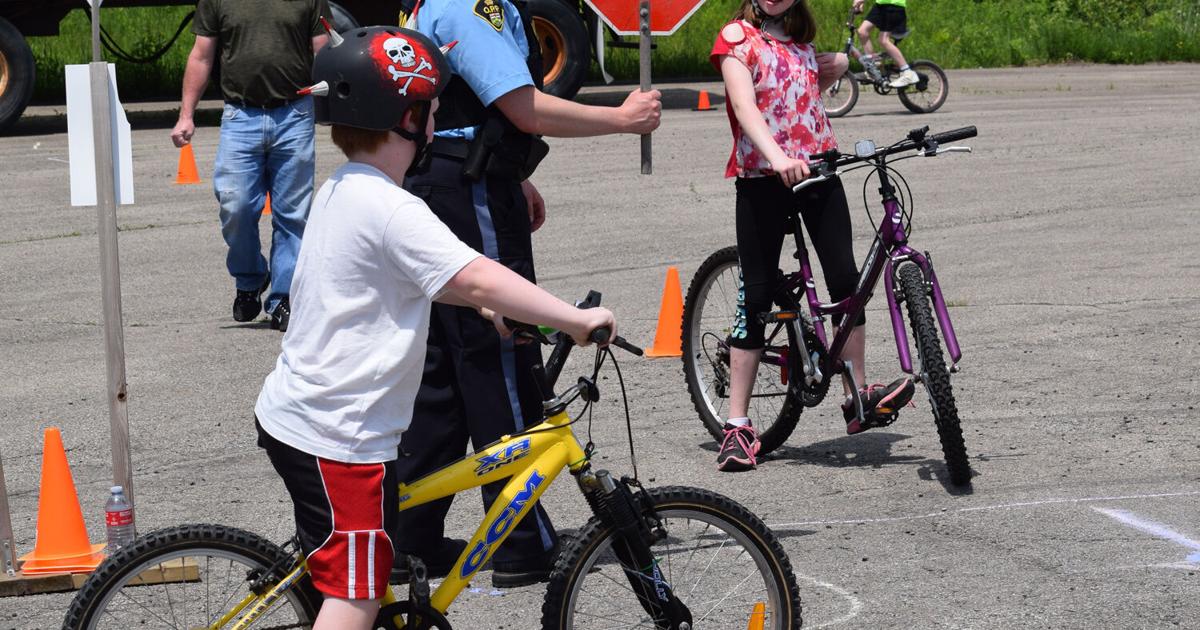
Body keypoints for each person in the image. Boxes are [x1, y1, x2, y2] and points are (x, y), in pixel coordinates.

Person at [253, 27, 617, 629]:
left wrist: (481, 307)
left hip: (307, 418)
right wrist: (575, 320)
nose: (436, 120)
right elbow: (475, 274)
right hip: (339, 438)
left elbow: (420, 275)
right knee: (356, 593)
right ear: (405, 117)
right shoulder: (393, 207)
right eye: (430, 108)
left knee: (359, 567)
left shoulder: (347, 188)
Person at [391, 0, 661, 588]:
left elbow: (473, 106)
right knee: (502, 355)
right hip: (466, 188)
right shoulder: (465, 4)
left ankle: (408, 536)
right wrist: (622, 117)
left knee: (442, 375)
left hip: (459, 176)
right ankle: (520, 540)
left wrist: (516, 173)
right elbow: (522, 107)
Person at [711, 0, 915, 472]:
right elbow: (745, 107)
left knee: (846, 280)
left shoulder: (802, 45)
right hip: (764, 178)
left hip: (821, 170)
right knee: (757, 295)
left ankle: (858, 395)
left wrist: (836, 67)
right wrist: (777, 157)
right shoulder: (736, 39)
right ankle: (737, 425)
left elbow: (798, 97)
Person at [170, 0, 330, 332]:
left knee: (293, 215)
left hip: (295, 114)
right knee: (236, 205)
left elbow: (323, 53)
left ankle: (283, 297)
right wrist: (187, 114)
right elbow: (201, 55)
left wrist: (337, 108)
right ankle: (250, 278)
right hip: (240, 116)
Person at [852, 0, 918, 88]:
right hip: (880, 5)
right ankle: (873, 70)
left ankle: (908, 72)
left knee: (883, 40)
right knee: (862, 32)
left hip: (893, 5)